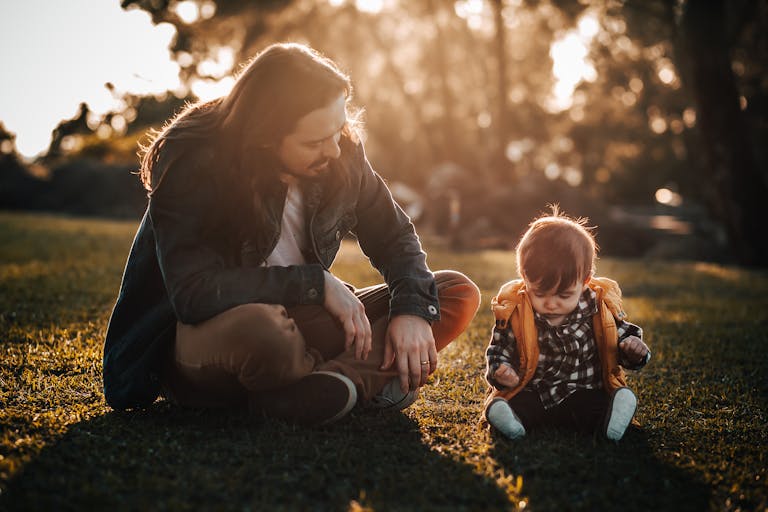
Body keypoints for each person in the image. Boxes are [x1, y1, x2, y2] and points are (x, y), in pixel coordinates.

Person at [102, 42, 480, 426]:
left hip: (304, 320)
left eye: (338, 130)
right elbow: (194, 294)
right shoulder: (195, 164)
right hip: (207, 337)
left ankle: (329, 385)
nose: (334, 150)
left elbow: (395, 237)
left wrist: (412, 312)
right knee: (266, 335)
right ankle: (362, 379)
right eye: (315, 142)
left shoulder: (342, 151)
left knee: (453, 293)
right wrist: (315, 284)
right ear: (265, 137)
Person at [482, 207, 650, 441]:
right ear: (524, 278)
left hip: (582, 391)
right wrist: (501, 370)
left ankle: (611, 419)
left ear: (585, 282)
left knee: (596, 405)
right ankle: (509, 420)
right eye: (540, 293)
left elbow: (621, 337)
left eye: (563, 296)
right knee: (518, 403)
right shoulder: (516, 310)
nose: (551, 304)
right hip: (534, 391)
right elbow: (499, 347)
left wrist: (633, 349)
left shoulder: (599, 309)